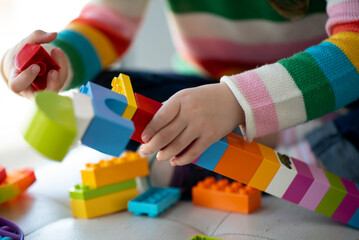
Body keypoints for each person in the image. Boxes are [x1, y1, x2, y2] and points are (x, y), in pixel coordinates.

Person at [1, 0, 359, 195]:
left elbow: (354, 46)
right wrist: (58, 61)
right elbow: (107, 23)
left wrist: (236, 101)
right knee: (98, 89)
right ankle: (269, 148)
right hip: (208, 94)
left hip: (332, 98)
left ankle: (312, 151)